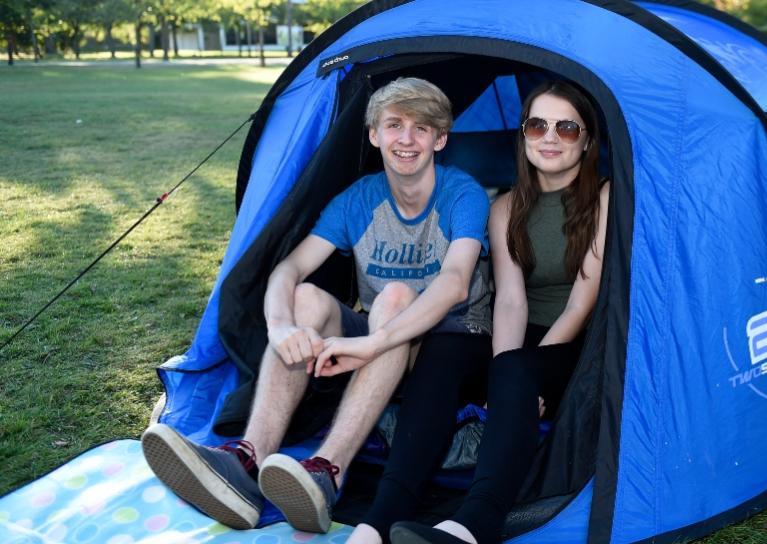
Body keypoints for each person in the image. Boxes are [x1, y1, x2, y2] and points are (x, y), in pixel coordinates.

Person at [141, 77, 492, 534]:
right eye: (394, 125)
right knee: (305, 298)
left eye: (421, 128)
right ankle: (248, 459)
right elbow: (288, 270)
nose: (406, 139)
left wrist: (373, 343)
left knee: (396, 295)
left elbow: (455, 283)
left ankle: (328, 471)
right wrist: (281, 327)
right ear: (373, 135)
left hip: (449, 342)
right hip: (382, 338)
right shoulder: (357, 200)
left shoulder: (462, 193)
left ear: (440, 139)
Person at [348, 80, 609, 544]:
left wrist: (524, 377)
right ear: (523, 134)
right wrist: (499, 373)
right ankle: (381, 517)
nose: (549, 137)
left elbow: (580, 302)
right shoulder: (506, 206)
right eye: (537, 125)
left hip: (575, 343)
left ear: (587, 140)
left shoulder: (604, 197)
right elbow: (510, 298)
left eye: (566, 128)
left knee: (514, 369)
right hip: (519, 336)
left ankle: (473, 526)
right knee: (446, 347)